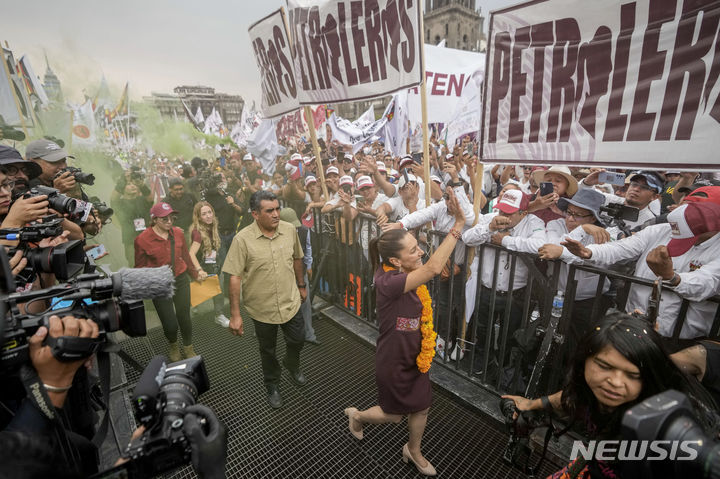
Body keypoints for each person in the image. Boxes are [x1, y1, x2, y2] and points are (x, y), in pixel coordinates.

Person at [343, 190, 467, 477]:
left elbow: (427, 259)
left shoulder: (402, 270)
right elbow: (435, 267)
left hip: (417, 358)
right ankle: (357, 416)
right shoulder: (389, 281)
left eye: (417, 246)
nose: (421, 251)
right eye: (413, 250)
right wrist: (458, 224)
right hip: (394, 361)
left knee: (421, 408)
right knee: (394, 414)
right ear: (396, 262)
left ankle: (413, 450)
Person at [502, 313, 719, 478]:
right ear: (584, 362)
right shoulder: (590, 389)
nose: (615, 382)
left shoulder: (669, 425)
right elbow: (571, 398)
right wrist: (531, 404)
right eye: (604, 366)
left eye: (632, 374)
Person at [563, 202, 720, 338]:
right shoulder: (659, 230)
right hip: (634, 322)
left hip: (681, 336)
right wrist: (590, 252)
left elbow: (708, 281)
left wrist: (672, 278)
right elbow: (623, 247)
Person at [223, 191, 307, 409]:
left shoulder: (289, 230)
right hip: (262, 309)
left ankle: (291, 363)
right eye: (270, 211)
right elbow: (234, 277)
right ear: (255, 214)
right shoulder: (242, 240)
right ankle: (273, 385)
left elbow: (298, 258)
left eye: (277, 209)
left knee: (298, 339)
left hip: (290, 301)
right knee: (267, 351)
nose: (276, 214)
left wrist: (301, 285)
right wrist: (235, 315)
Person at [134, 202, 198, 361]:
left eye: (171, 217)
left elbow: (186, 256)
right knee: (169, 322)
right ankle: (174, 345)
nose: (170, 221)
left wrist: (196, 275)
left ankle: (188, 347)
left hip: (181, 278)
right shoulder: (142, 240)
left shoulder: (177, 233)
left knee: (184, 317)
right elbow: (140, 267)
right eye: (164, 219)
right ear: (154, 219)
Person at [189, 201, 229, 328]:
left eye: (209, 212)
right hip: (201, 266)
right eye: (204, 214)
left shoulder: (213, 226)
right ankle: (193, 305)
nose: (208, 216)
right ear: (199, 217)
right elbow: (191, 254)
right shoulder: (197, 232)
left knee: (219, 290)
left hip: (213, 265)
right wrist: (199, 270)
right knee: (199, 291)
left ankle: (219, 315)